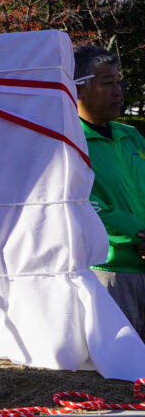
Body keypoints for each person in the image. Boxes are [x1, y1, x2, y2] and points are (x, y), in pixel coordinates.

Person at [76, 43, 145, 332]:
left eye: (118, 82)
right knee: (123, 356)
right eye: (107, 83)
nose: (118, 91)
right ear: (79, 89)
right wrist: (136, 236)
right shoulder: (70, 143)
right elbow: (81, 204)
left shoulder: (131, 135)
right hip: (111, 271)